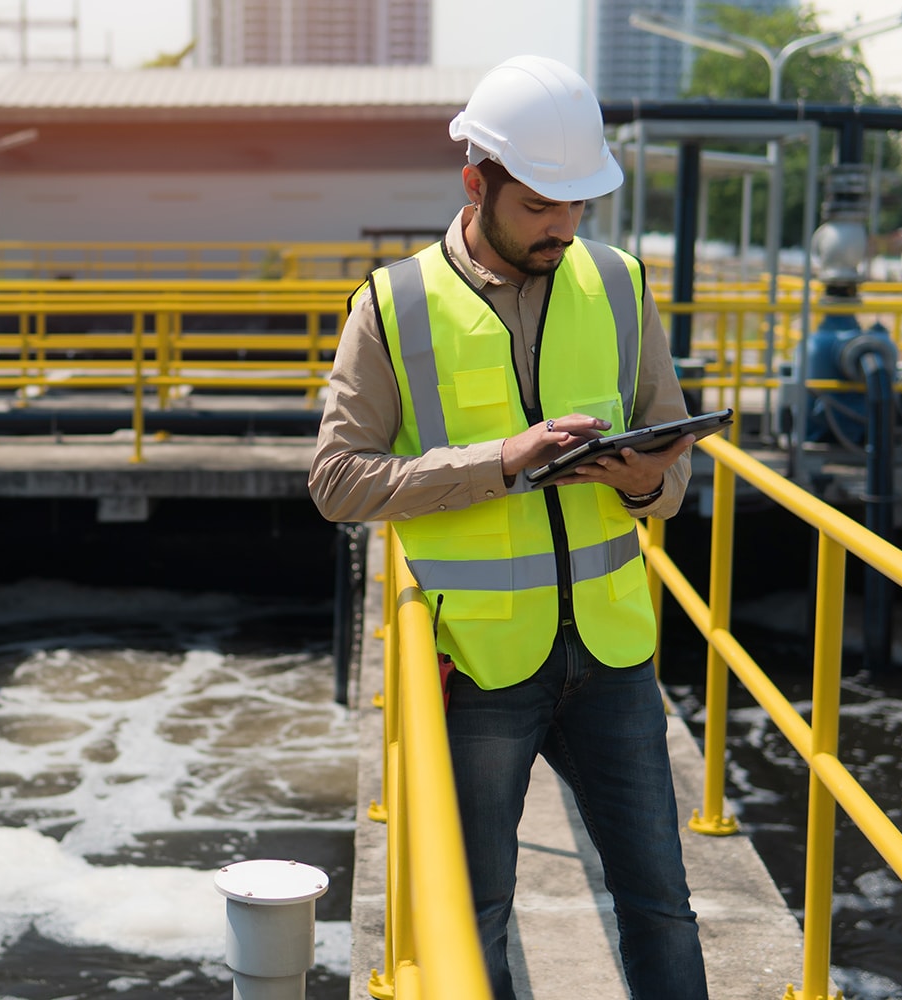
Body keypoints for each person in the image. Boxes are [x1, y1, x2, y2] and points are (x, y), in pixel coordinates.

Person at [307, 55, 708, 1000]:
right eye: (538, 206)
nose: (562, 227)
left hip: (613, 654)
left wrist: (649, 481)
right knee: (474, 915)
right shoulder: (394, 306)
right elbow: (336, 482)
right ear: (475, 183)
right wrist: (500, 460)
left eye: (577, 206)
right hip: (482, 663)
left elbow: (675, 465)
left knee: (662, 904)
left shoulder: (619, 284)